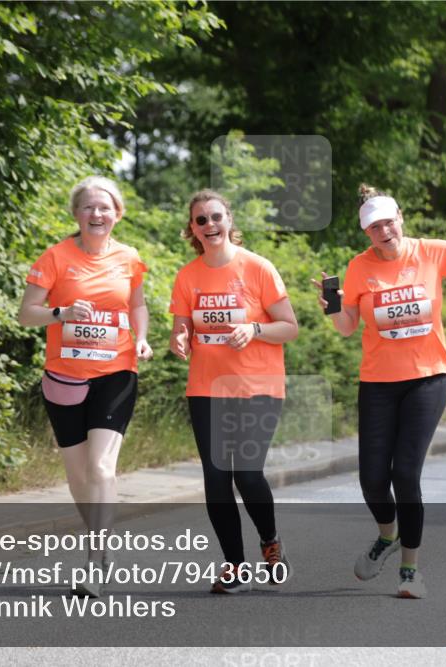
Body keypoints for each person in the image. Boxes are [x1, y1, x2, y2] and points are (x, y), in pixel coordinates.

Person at [312, 162, 446, 599]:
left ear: (401, 219)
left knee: (405, 474)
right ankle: (386, 536)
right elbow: (346, 327)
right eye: (375, 226)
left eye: (389, 222)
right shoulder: (359, 268)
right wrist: (330, 304)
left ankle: (410, 570)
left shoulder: (431, 252)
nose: (384, 231)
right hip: (378, 381)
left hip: (427, 378)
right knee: (372, 480)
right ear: (367, 233)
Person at [17, 175, 152, 596]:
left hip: (116, 371)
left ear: (118, 214)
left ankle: (95, 558)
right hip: (64, 377)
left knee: (100, 467)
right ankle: (102, 541)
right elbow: (26, 314)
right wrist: (59, 313)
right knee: (77, 476)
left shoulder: (129, 257)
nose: (97, 214)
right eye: (89, 207)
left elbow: (137, 303)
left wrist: (142, 337)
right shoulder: (55, 257)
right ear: (77, 214)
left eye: (105, 207)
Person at [169, 189, 299, 594]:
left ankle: (270, 541)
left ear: (229, 220)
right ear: (192, 228)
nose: (210, 225)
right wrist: (180, 339)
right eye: (201, 220)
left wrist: (255, 329)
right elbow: (181, 328)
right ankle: (235, 566)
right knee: (216, 476)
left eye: (216, 217)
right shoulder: (188, 276)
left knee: (246, 472)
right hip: (206, 388)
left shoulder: (258, 268)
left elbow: (289, 327)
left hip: (257, 386)